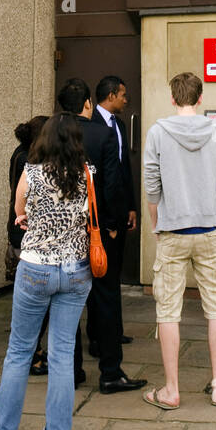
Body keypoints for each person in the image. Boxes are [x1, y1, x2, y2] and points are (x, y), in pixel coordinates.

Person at [0, 113, 93, 430]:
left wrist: (26, 217)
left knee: (19, 350)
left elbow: (19, 211)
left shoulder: (31, 172)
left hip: (35, 269)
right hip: (75, 270)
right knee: (62, 353)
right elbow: (91, 214)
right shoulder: (87, 174)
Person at [142, 71, 216, 410]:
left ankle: (171, 390)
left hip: (172, 231)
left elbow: (151, 182)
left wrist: (156, 219)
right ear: (200, 98)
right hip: (209, 231)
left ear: (172, 98)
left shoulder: (157, 132)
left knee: (168, 311)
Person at [58, 78, 145, 394]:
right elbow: (111, 184)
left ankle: (72, 371)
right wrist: (111, 223)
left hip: (63, 233)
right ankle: (110, 372)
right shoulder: (102, 133)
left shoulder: (50, 135)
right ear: (86, 104)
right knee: (106, 297)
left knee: (67, 302)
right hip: (97, 231)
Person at [86, 75, 137, 365]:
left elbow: (123, 169)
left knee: (112, 274)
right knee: (98, 278)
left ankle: (113, 332)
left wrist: (130, 206)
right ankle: (97, 336)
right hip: (99, 217)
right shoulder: (90, 124)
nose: (126, 100)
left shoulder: (119, 124)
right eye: (122, 95)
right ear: (110, 95)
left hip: (119, 212)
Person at [6, 116, 50, 375]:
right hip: (26, 235)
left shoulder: (19, 154)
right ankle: (33, 354)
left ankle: (33, 350)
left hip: (17, 233)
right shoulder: (29, 160)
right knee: (33, 302)